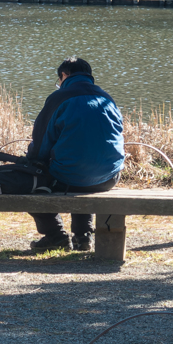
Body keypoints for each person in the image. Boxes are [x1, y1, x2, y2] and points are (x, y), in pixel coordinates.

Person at [26, 57, 125, 252]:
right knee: (82, 168)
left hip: (70, 178)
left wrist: (31, 163)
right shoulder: (107, 98)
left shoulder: (58, 98)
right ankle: (82, 236)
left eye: (59, 80)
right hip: (109, 177)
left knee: (32, 182)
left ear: (64, 75)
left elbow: (40, 144)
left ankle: (55, 235)